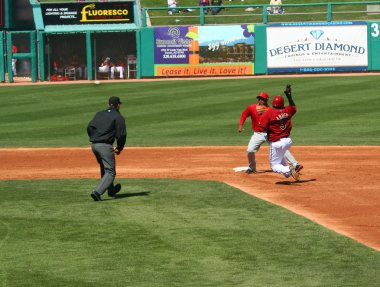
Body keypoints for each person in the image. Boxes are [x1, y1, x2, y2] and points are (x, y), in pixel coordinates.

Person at [238, 91, 302, 174]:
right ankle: (252, 167)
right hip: (258, 133)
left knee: (282, 148)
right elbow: (244, 114)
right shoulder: (252, 107)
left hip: (270, 134)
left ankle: (295, 164)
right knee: (250, 150)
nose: (260, 100)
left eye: (262, 99)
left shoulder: (271, 110)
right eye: (259, 98)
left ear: (266, 100)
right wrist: (241, 124)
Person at [87, 96, 127, 201]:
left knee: (105, 168)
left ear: (108, 104)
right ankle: (97, 192)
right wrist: (119, 147)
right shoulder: (118, 117)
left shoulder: (99, 114)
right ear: (118, 105)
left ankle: (111, 190)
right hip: (105, 146)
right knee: (110, 172)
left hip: (94, 146)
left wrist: (94, 138)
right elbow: (121, 135)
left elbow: (89, 127)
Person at [258, 85, 300, 181]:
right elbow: (294, 107)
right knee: (280, 156)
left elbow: (261, 128)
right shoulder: (287, 110)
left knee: (274, 166)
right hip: (288, 141)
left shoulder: (268, 113)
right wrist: (289, 96)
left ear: (273, 103)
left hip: (276, 143)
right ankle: (287, 174)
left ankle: (289, 169)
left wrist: (263, 117)